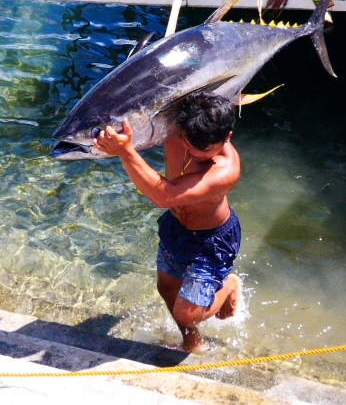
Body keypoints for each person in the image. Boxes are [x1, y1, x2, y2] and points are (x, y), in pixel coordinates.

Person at [92, 91, 242, 352]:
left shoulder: (225, 170)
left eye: (203, 150)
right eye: (188, 143)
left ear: (226, 138)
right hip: (176, 227)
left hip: (211, 241)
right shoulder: (179, 127)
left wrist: (124, 151)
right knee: (167, 288)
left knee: (188, 313)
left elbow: (164, 196)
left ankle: (229, 285)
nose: (193, 152)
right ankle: (192, 342)